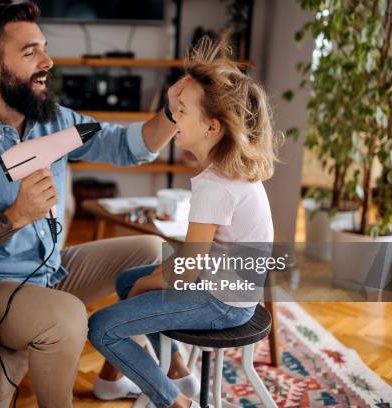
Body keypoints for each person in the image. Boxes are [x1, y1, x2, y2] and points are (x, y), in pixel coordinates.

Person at [0, 2, 184, 407]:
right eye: (30, 52)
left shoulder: (53, 121)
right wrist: (15, 216)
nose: (48, 61)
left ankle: (119, 374)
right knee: (67, 315)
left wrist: (174, 110)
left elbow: (127, 145)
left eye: (45, 48)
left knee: (155, 254)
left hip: (52, 272)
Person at [88, 36, 280, 408]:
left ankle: (175, 402)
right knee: (126, 280)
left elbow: (185, 272)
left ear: (211, 128)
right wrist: (145, 281)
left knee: (101, 327)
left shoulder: (214, 186)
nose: (174, 116)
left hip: (222, 301)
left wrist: (149, 282)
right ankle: (173, 366)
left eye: (182, 110)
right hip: (231, 286)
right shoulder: (230, 169)